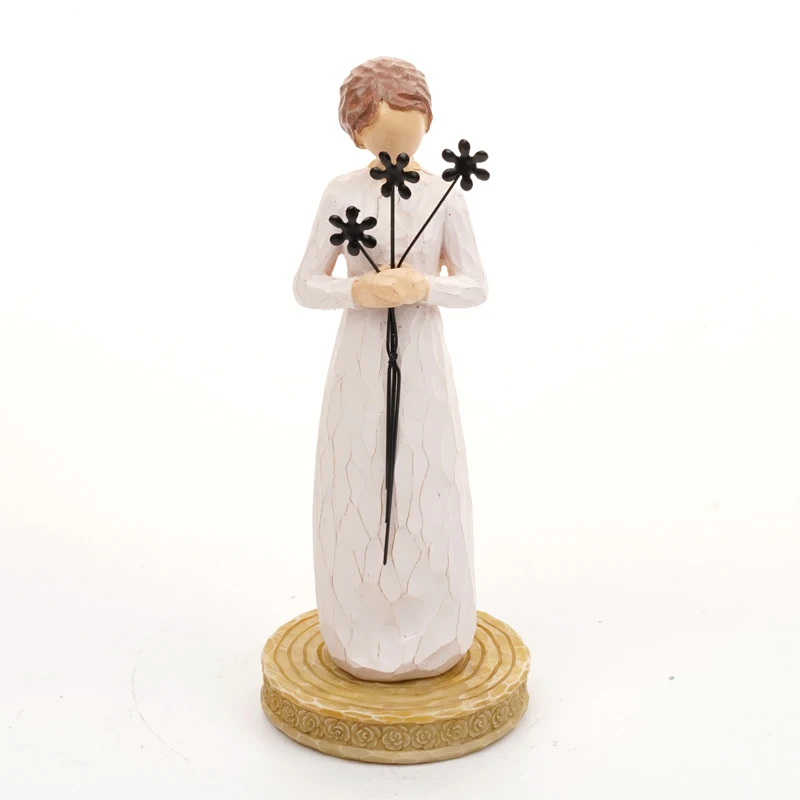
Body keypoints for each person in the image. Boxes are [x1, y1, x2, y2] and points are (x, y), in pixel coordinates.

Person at [293, 57, 488, 681]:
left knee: (425, 481)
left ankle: (437, 625)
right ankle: (358, 623)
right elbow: (305, 284)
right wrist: (359, 292)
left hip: (423, 360)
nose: (400, 155)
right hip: (360, 359)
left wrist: (424, 286)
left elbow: (476, 286)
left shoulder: (444, 194)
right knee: (360, 477)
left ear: (429, 124)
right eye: (385, 142)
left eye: (410, 138)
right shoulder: (341, 195)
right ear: (357, 135)